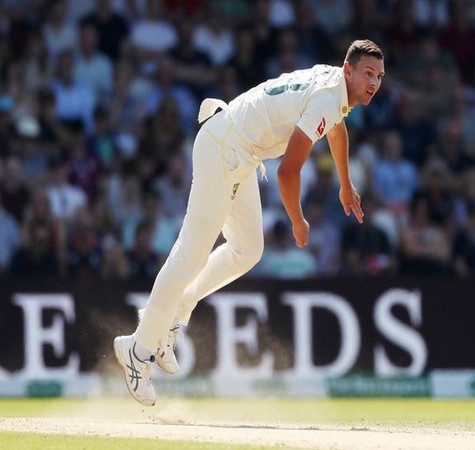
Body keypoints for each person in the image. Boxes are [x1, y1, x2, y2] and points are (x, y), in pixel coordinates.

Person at [113, 39, 385, 406]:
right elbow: (289, 173)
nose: (374, 82)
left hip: (237, 149)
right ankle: (139, 348)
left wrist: (346, 184)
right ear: (348, 69)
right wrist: (298, 220)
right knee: (191, 252)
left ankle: (172, 315)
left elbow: (336, 129)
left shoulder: (332, 84)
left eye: (380, 76)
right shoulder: (326, 97)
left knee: (247, 249)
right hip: (225, 146)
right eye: (368, 73)